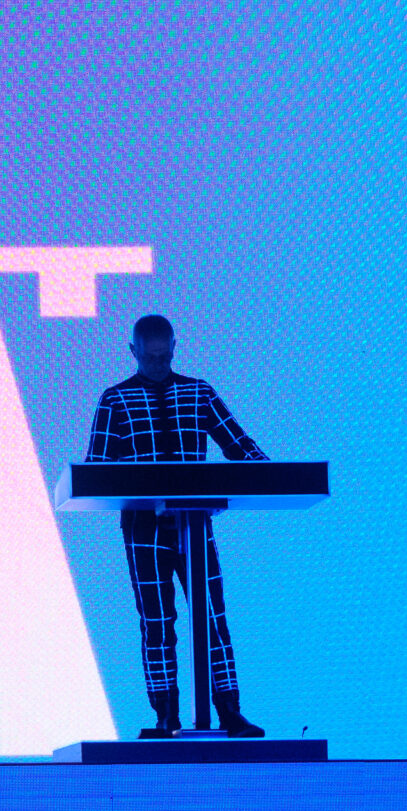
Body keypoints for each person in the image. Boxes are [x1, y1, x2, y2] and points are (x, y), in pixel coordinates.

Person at [84, 313, 269, 739]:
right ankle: (166, 715)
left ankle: (229, 711)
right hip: (143, 529)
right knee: (156, 621)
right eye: (149, 358)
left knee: (213, 617)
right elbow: (96, 471)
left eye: (164, 357)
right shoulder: (115, 401)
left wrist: (276, 476)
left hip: (195, 527)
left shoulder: (198, 393)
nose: (157, 365)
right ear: (133, 352)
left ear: (173, 349)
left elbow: (240, 446)